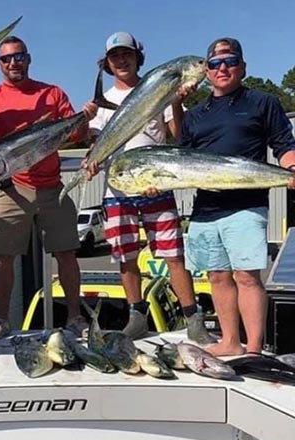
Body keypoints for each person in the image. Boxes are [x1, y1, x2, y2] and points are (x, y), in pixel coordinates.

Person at [87, 32, 214, 343]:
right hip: (117, 191)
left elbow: (177, 135)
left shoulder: (159, 87)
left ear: (137, 57)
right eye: (115, 56)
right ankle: (136, 315)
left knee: (173, 255)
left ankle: (192, 318)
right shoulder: (103, 103)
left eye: (126, 54)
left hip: (158, 184)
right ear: (108, 63)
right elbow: (95, 145)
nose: (121, 60)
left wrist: (178, 103)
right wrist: (90, 153)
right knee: (126, 257)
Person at [0, 36, 98, 339]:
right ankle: (1, 319)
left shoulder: (53, 93)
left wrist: (87, 117)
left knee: (66, 253)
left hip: (53, 186)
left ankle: (74, 316)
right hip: (13, 187)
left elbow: (74, 134)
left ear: (28, 59)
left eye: (19, 56)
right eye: (6, 59)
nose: (13, 63)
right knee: (3, 255)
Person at [182, 37, 295, 355]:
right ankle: (231, 341)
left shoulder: (263, 102)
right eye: (215, 63)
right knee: (217, 276)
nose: (222, 68)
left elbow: (283, 144)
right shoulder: (195, 114)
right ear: (206, 70)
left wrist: (292, 168)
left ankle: (254, 349)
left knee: (246, 276)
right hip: (205, 207)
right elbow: (182, 159)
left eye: (230, 61)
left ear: (242, 67)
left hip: (247, 204)